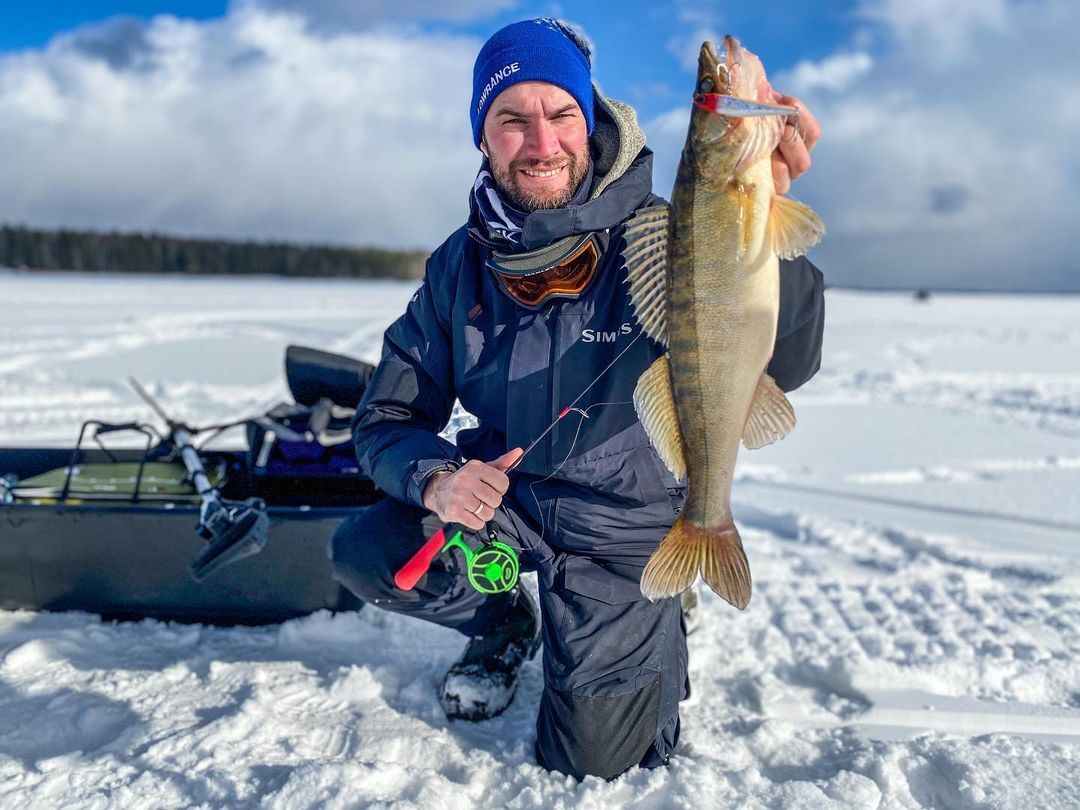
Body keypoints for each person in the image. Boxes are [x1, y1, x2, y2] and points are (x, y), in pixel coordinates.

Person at [329, 18, 825, 780]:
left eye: (561, 114)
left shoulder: (671, 230)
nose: (541, 141)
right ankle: (505, 623)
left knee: (596, 764)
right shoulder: (458, 268)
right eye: (512, 120)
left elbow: (782, 360)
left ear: (589, 124)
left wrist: (764, 218)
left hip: (625, 524)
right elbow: (387, 418)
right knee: (369, 551)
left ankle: (662, 602)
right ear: (483, 138)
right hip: (509, 505)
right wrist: (438, 478)